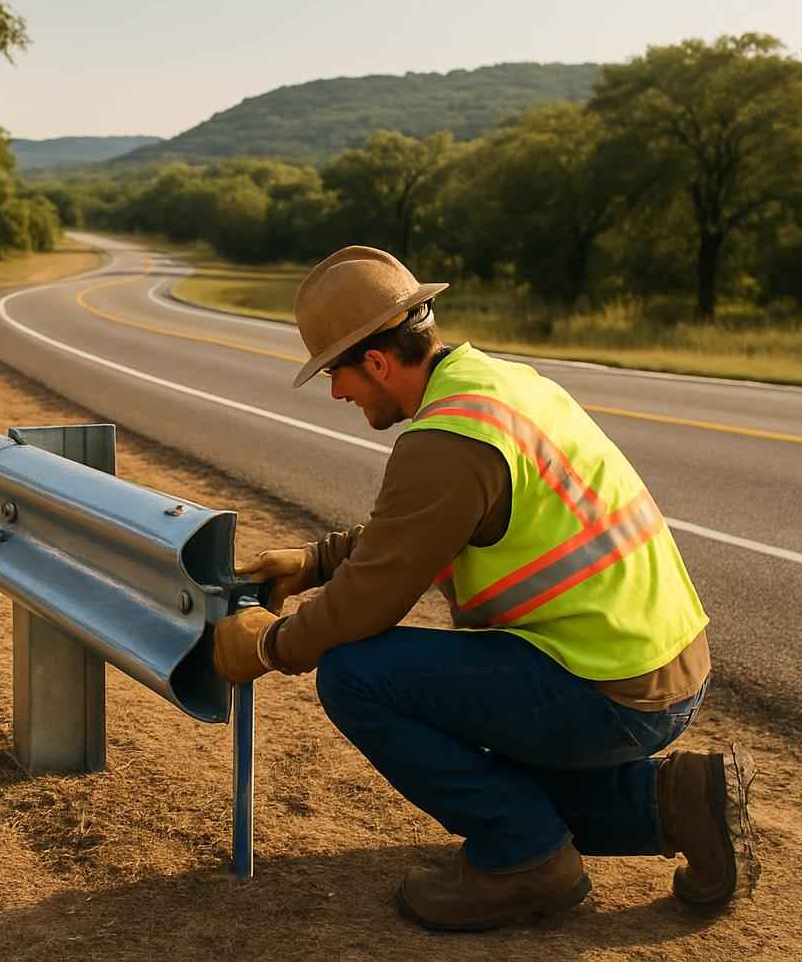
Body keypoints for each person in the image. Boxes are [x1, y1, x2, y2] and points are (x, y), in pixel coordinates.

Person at [212, 245, 759, 933]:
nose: (337, 393)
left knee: (355, 674)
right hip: (658, 664)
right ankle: (680, 802)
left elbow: (370, 601)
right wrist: (317, 561)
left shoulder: (447, 442)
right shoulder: (497, 385)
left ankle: (525, 861)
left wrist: (270, 646)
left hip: (609, 689)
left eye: (337, 375)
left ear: (377, 363)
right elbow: (424, 528)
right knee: (505, 776)